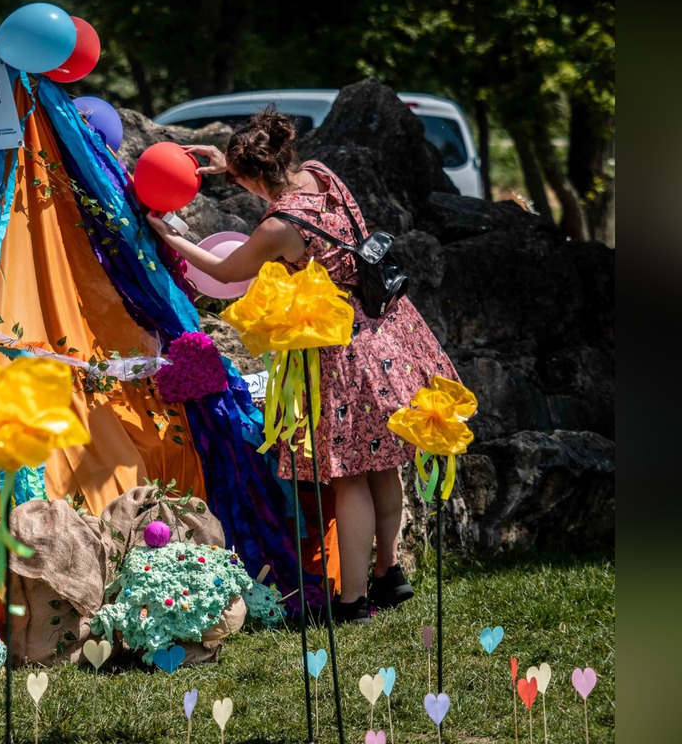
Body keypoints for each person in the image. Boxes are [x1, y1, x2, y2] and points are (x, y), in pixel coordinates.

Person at [146, 109, 461, 624]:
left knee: (349, 474)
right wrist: (229, 167)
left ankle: (353, 600)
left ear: (250, 176)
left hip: (341, 350)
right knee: (383, 460)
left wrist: (171, 238)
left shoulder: (278, 228)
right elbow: (275, 183)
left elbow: (227, 269)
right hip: (388, 331)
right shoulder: (322, 175)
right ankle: (390, 572)